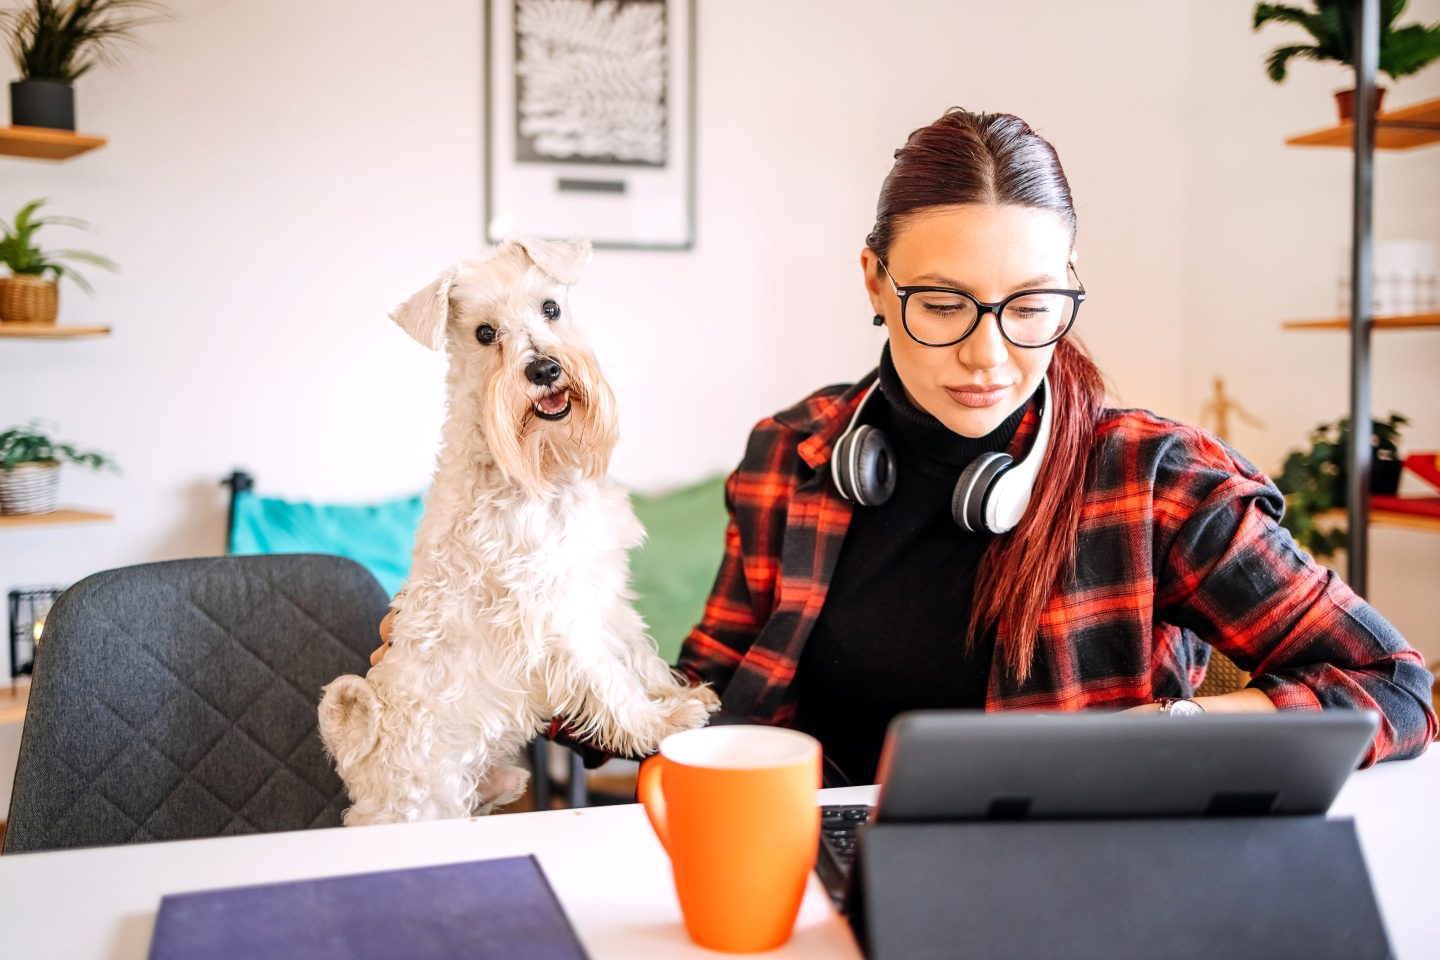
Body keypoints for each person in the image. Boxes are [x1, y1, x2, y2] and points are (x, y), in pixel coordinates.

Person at [377, 108, 1435, 787]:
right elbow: (707, 695)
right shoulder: (791, 456)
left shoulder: (1157, 481)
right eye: (940, 303)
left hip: (1063, 890)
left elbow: (1394, 685)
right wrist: (532, 663)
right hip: (799, 866)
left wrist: (1173, 734)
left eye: (1032, 305)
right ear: (875, 282)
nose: (987, 353)